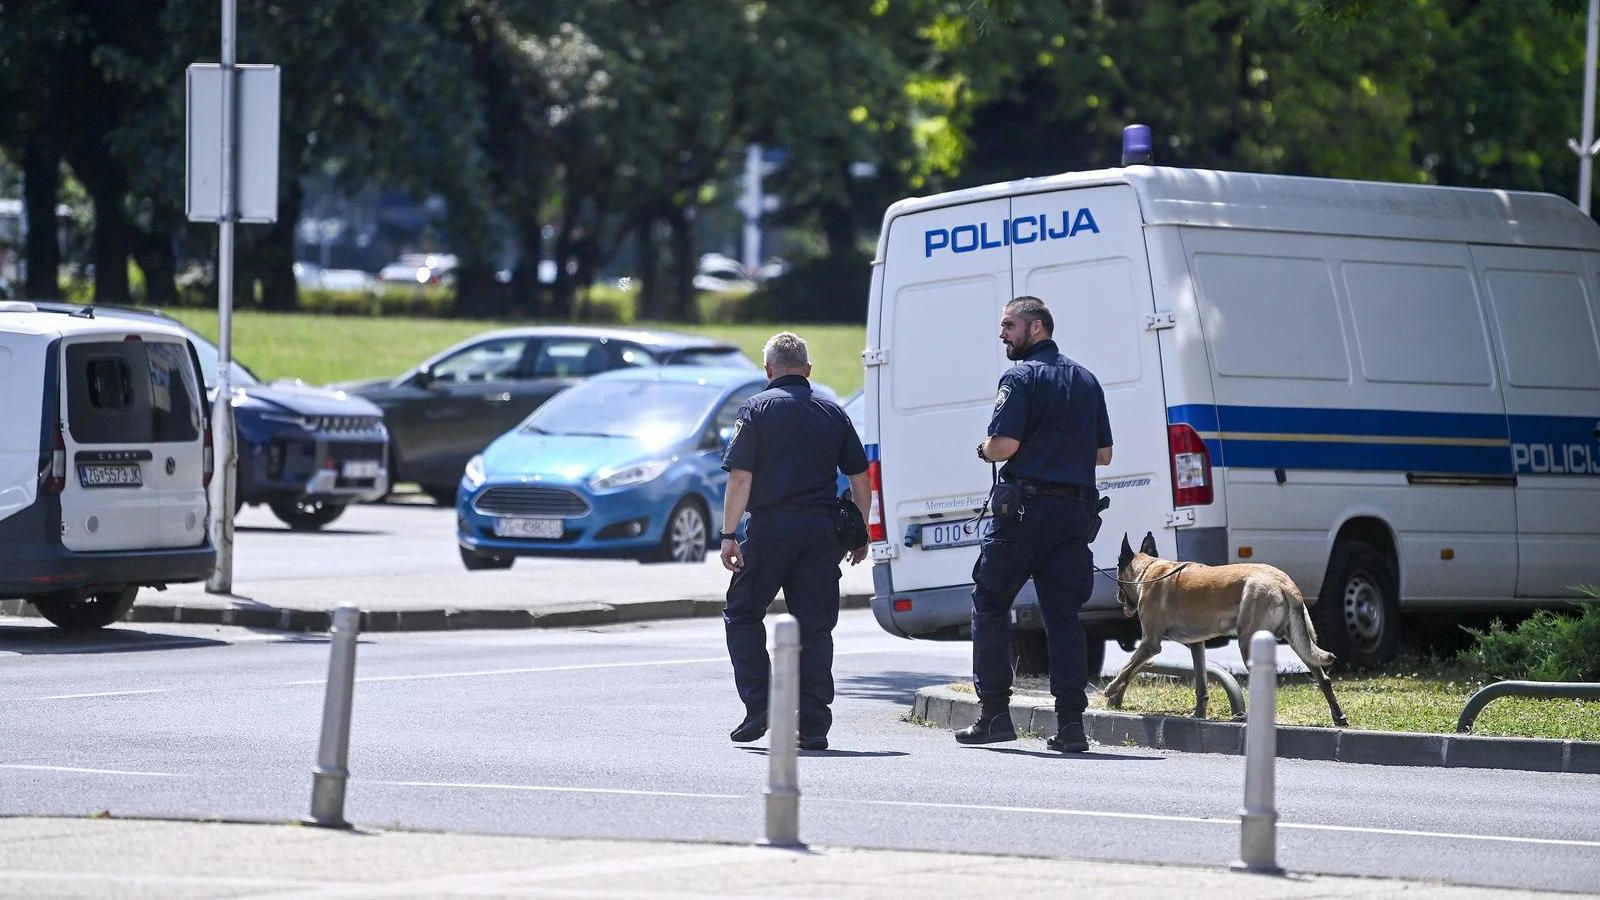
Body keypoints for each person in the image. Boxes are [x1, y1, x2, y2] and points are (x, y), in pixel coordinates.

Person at [957, 296, 1113, 753]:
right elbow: (1104, 455)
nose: (1002, 334)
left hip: (1024, 514)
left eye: (1009, 325)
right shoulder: (1087, 380)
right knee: (1063, 616)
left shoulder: (1020, 377)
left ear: (1037, 327)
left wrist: (984, 450)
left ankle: (994, 715)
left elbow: (1003, 445)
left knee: (989, 603)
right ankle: (1071, 726)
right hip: (1073, 515)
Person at [719, 332, 871, 752]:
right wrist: (860, 531)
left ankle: (761, 706)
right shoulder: (833, 412)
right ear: (808, 370)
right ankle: (815, 725)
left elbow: (741, 477)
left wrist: (729, 535)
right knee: (815, 628)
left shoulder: (756, 409)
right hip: (821, 534)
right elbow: (860, 478)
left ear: (768, 371)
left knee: (742, 612)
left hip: (771, 530)